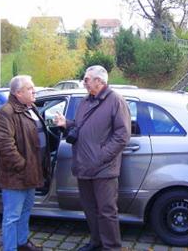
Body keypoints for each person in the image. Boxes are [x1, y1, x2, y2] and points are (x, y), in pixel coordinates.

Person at [54, 65, 131, 251]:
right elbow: (81, 127)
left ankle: (111, 247)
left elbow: (123, 135)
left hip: (103, 168)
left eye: (87, 79)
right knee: (90, 209)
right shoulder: (85, 101)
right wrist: (67, 124)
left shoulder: (116, 101)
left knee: (106, 212)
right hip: (83, 166)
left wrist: (101, 156)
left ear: (100, 81)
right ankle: (96, 243)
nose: (84, 82)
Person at [0, 75, 50, 251]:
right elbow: (4, 145)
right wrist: (22, 165)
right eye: (30, 88)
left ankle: (22, 243)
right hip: (16, 176)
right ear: (18, 92)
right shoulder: (6, 112)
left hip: (31, 173)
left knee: (25, 213)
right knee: (12, 217)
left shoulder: (30, 107)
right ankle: (10, 248)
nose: (34, 91)